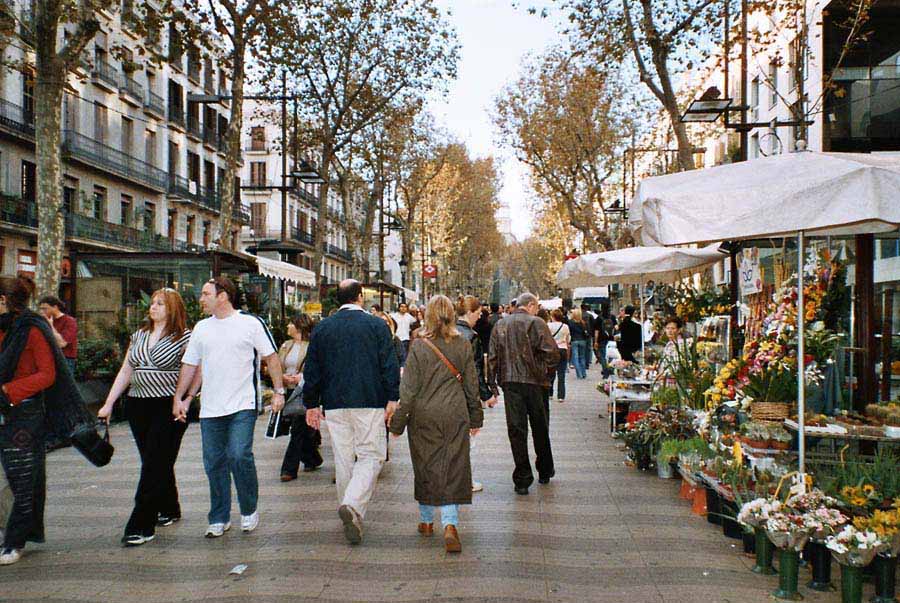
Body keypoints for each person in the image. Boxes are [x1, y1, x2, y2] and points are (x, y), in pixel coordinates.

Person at [173, 277, 285, 538]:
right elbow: (190, 364)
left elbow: (271, 356)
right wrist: (180, 398)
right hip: (211, 408)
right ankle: (219, 517)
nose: (200, 299)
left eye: (205, 293)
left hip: (242, 405)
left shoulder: (250, 323)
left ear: (222, 296)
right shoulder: (201, 328)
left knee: (238, 455)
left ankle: (248, 509)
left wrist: (279, 391)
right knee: (214, 463)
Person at [302, 279, 400, 545]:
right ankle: (353, 505)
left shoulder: (323, 328)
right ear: (359, 297)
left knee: (344, 458)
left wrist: (311, 403)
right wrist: (393, 396)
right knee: (372, 455)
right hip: (369, 399)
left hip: (334, 402)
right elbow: (388, 364)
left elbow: (312, 369)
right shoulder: (377, 325)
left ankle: (350, 509)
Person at [97, 288, 192, 546]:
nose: (153, 307)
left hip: (167, 406)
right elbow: (126, 370)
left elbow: (192, 371)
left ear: (173, 309)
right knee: (154, 460)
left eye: (160, 304)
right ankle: (169, 507)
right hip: (138, 405)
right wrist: (109, 403)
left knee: (154, 462)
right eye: (152, 303)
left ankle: (141, 523)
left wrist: (184, 399)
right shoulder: (139, 335)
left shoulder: (184, 337)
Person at [389, 296, 482, 553]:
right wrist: (476, 417)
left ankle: (427, 520)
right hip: (454, 413)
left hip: (424, 416)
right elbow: (471, 386)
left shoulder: (419, 346)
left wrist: (397, 424)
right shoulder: (463, 345)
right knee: (454, 464)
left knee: (426, 464)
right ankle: (450, 524)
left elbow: (407, 392)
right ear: (452, 315)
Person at [488, 292, 559, 495]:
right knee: (540, 427)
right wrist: (545, 372)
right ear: (530, 305)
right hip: (535, 383)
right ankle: (544, 469)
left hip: (510, 382)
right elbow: (552, 353)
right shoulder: (536, 323)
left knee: (516, 430)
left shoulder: (500, 325)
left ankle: (522, 478)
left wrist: (492, 384)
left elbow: (492, 357)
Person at [455, 296, 498, 494]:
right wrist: (486, 394)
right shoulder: (471, 337)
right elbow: (475, 371)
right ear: (470, 312)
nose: (479, 317)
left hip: (442, 394)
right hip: (463, 395)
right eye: (478, 313)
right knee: (468, 440)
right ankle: (465, 480)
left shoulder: (446, 333)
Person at [279, 314, 322, 481]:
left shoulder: (312, 346)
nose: (288, 325)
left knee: (297, 429)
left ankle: (288, 469)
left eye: (291, 323)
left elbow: (316, 367)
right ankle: (312, 458)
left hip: (305, 390)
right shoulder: (286, 345)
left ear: (299, 326)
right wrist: (282, 377)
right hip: (288, 390)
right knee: (302, 429)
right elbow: (276, 365)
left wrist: (301, 378)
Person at [37, 296, 77, 375]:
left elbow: (61, 343)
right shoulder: (43, 321)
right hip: (48, 359)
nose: (42, 312)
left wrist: (50, 325)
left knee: (64, 386)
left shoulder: (69, 321)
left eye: (45, 308)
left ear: (55, 307)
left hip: (65, 359)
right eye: (40, 309)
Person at [547, 309, 570, 403]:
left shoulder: (549, 325)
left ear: (553, 317)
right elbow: (568, 339)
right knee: (561, 374)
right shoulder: (565, 326)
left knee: (551, 372)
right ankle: (561, 395)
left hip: (553, 350)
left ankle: (550, 393)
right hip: (563, 349)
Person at [568, 308, 590, 380]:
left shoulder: (570, 322)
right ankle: (584, 373)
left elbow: (569, 332)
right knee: (582, 357)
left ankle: (579, 374)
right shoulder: (583, 323)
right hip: (583, 341)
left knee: (575, 358)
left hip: (574, 340)